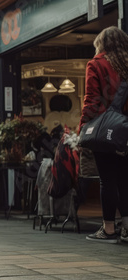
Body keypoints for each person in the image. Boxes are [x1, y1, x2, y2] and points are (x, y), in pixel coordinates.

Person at [80, 26, 128, 243]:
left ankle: (108, 229)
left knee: (108, 181)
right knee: (125, 180)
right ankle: (127, 229)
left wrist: (85, 129)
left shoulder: (96, 64)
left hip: (107, 132)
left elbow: (91, 100)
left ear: (102, 44)